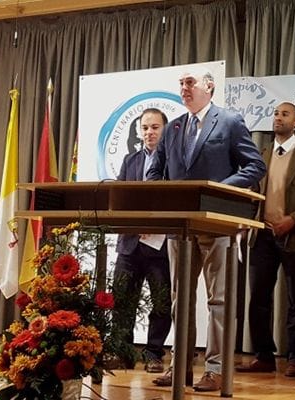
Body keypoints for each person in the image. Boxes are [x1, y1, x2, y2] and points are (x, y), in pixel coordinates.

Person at [146, 66, 266, 392]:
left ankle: (215, 369)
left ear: (209, 87)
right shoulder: (172, 128)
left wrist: (217, 192)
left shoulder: (229, 122)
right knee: (178, 299)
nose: (184, 88)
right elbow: (154, 173)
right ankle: (180, 366)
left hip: (216, 224)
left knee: (219, 301)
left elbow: (255, 166)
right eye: (181, 83)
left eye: (190, 82)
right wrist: (163, 197)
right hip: (179, 227)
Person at [235, 101, 295, 378]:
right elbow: (253, 190)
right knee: (259, 299)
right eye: (276, 113)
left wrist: (293, 219)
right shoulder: (263, 153)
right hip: (263, 236)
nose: (278, 117)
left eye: (284, 114)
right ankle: (264, 356)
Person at [113, 108, 171, 373]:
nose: (149, 132)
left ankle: (153, 353)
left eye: (155, 127)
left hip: (159, 246)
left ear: (165, 130)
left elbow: (175, 202)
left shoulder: (174, 162)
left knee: (160, 303)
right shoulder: (130, 160)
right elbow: (120, 195)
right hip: (129, 243)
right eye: (145, 127)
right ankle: (123, 352)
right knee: (123, 299)